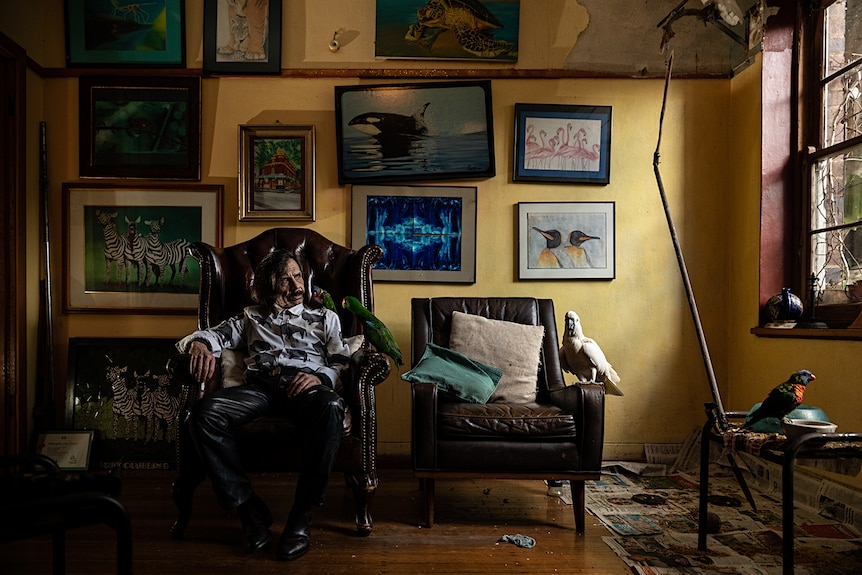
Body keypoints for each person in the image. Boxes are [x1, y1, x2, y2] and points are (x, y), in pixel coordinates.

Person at [175, 250, 352, 562]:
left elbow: (340, 360)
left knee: (332, 407)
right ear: (270, 285)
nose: (296, 284)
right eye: (286, 278)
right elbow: (212, 335)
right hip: (260, 389)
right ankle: (249, 511)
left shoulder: (326, 317)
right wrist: (199, 344)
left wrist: (320, 378)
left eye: (298, 276)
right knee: (202, 414)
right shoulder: (251, 317)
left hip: (305, 388)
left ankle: (300, 516)